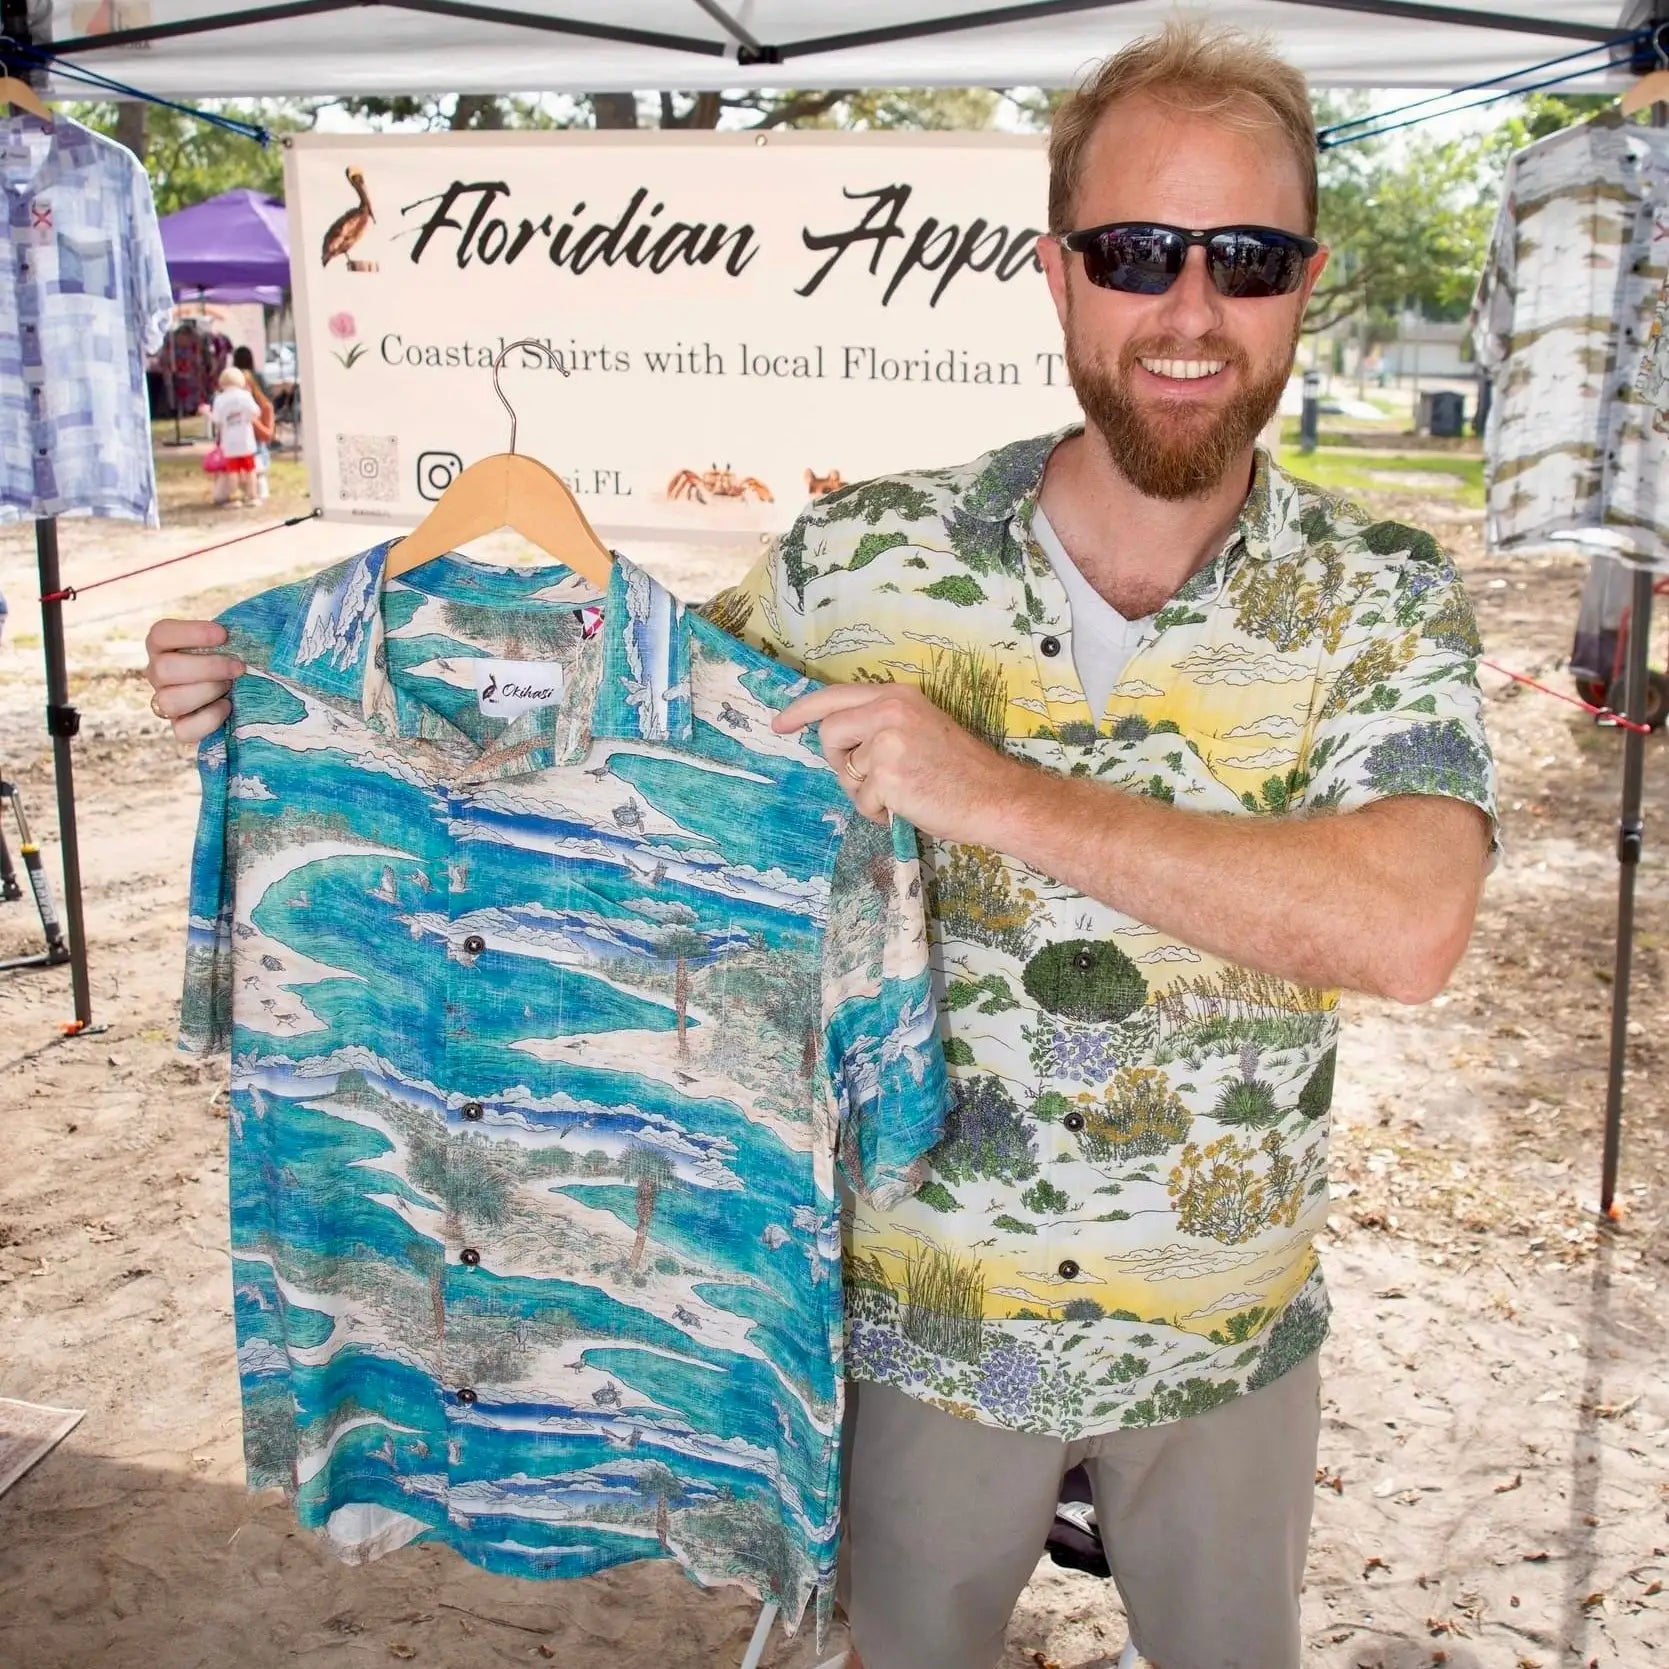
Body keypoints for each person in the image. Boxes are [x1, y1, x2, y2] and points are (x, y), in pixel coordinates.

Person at [141, 23, 1494, 1669]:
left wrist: (986, 789)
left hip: (1222, 1343)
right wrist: (304, 691)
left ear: (1308, 278)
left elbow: (1410, 921)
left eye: (1247, 257)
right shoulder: (858, 559)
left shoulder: (1383, 593)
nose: (1190, 308)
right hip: (911, 1341)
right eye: (1137, 251)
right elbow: (595, 759)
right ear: (1056, 270)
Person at [208, 367, 261, 507]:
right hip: (246, 440)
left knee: (233, 472)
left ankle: (235, 498)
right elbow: (256, 412)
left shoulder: (219, 399)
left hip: (230, 443)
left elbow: (217, 420)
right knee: (250, 470)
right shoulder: (245, 396)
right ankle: (252, 496)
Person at [231, 345, 276, 503]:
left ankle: (255, 487)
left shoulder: (264, 407)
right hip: (237, 454)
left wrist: (252, 420)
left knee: (255, 469)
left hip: (256, 453)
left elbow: (267, 435)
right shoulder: (234, 406)